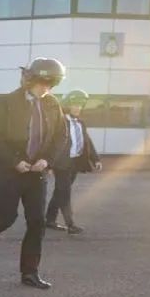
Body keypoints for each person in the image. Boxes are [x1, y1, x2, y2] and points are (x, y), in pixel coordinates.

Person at [0, 57, 67, 289]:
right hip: (7, 171)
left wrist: (46, 160)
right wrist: (15, 161)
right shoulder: (6, 102)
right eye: (41, 84)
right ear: (30, 80)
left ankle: (30, 273)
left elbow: (60, 137)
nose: (45, 90)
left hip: (36, 173)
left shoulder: (52, 104)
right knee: (6, 217)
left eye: (49, 86)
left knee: (37, 222)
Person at [46, 89, 101, 235]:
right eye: (75, 105)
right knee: (65, 193)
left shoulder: (80, 123)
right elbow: (51, 142)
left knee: (60, 191)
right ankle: (70, 224)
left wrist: (95, 159)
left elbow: (87, 141)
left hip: (75, 163)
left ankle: (49, 220)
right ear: (68, 106)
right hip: (61, 164)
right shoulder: (60, 121)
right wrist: (49, 164)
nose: (78, 108)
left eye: (80, 105)